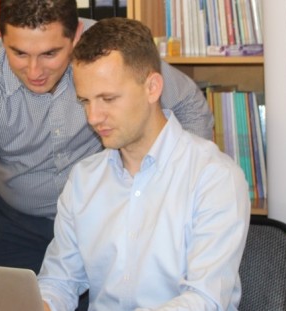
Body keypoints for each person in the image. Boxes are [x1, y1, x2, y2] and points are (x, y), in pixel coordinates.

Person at [0, 0, 213, 271]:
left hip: (104, 216)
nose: (34, 71)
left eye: (50, 54)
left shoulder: (108, 51)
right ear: (2, 37)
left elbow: (188, 104)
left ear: (77, 34)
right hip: (16, 225)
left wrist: (177, 191)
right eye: (19, 53)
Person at [37, 17, 250, 311]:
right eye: (85, 101)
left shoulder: (213, 176)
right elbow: (60, 281)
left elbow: (205, 300)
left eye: (108, 99)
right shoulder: (84, 179)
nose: (93, 117)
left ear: (152, 88)